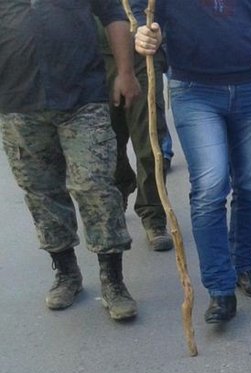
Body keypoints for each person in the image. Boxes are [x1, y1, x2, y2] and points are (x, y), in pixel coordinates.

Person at [135, 1, 251, 324]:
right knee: (210, 186)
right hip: (193, 89)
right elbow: (142, 8)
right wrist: (143, 29)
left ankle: (243, 266)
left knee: (250, 185)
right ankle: (220, 288)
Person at [1, 0, 140, 321]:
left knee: (95, 185)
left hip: (83, 98)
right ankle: (66, 272)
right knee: (41, 192)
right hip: (18, 103)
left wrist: (125, 72)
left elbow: (113, 15)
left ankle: (113, 280)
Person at [97, 4, 174, 253]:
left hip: (142, 54)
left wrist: (154, 30)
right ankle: (121, 182)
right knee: (105, 141)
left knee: (150, 141)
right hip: (97, 55)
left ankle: (153, 215)